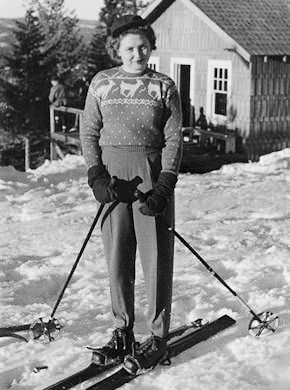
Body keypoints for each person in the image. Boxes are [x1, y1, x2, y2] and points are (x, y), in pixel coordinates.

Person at [80, 15, 183, 370]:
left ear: (151, 47)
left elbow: (173, 138)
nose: (136, 54)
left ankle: (157, 337)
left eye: (143, 47)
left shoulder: (164, 86)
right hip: (113, 177)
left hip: (151, 175)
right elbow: (89, 132)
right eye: (129, 48)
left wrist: (166, 183)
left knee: (156, 258)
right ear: (117, 50)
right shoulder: (102, 82)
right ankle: (123, 331)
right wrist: (96, 176)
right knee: (117, 258)